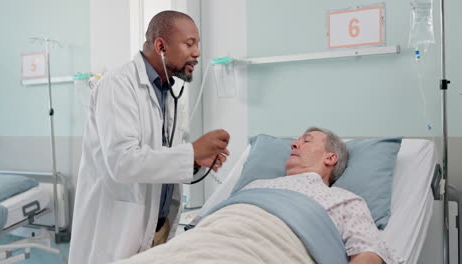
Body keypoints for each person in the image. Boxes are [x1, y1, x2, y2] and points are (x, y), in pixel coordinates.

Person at [69, 10, 230, 264]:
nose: (197, 53)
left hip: (158, 227)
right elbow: (122, 162)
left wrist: (195, 162)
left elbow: (158, 156)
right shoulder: (118, 85)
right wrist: (191, 152)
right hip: (118, 229)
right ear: (161, 46)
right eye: (189, 44)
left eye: (197, 44)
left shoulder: (166, 92)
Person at [113, 127, 403, 264]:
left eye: (307, 140)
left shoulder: (344, 199)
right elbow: (208, 228)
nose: (295, 142)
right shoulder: (255, 187)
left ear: (330, 158)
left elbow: (369, 253)